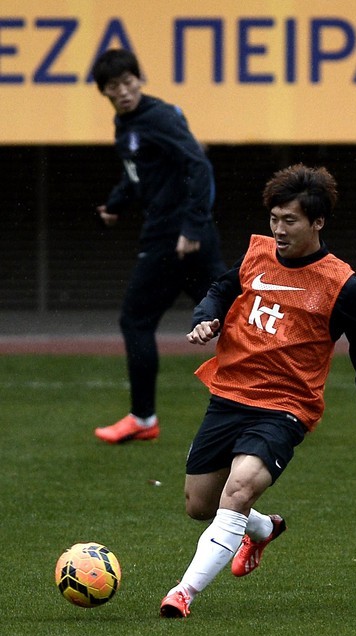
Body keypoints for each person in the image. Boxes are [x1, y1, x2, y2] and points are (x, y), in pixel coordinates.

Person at [159, 163, 356, 618]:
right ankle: (263, 529)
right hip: (229, 395)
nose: (279, 230)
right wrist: (206, 318)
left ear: (317, 222)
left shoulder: (343, 285)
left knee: (238, 489)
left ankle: (183, 593)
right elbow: (221, 289)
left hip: (285, 407)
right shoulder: (257, 255)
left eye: (290, 220)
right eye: (274, 218)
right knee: (199, 504)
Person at [92, 48, 226, 444]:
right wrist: (115, 205)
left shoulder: (159, 117)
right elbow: (139, 175)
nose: (123, 91)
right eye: (113, 86)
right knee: (231, 317)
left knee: (135, 320)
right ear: (104, 92)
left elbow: (198, 165)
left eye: (128, 82)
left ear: (139, 79)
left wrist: (192, 227)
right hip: (181, 234)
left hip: (174, 236)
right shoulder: (127, 123)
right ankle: (279, 387)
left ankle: (143, 418)